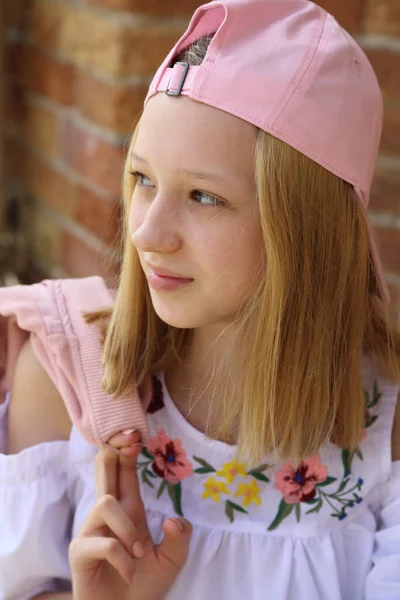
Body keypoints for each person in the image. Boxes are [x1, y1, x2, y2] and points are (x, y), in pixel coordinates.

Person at [1, 0, 400, 598]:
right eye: (143, 180)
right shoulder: (67, 383)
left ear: (305, 233)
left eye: (205, 198)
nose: (146, 234)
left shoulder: (385, 427)